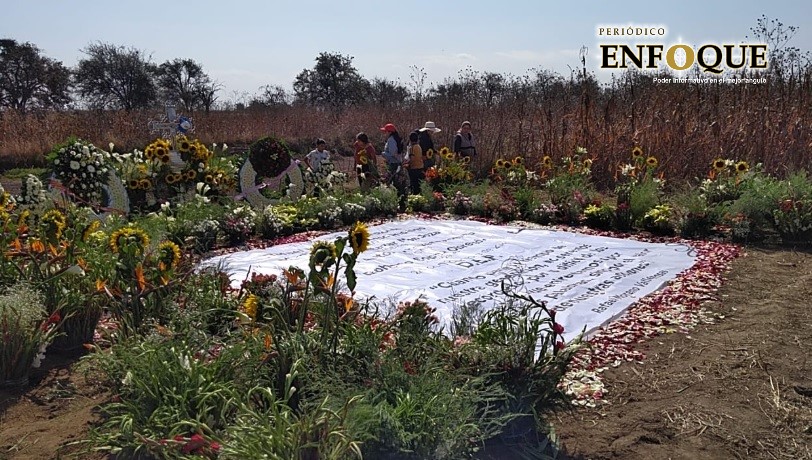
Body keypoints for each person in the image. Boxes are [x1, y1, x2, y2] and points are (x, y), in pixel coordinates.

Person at [404, 131, 424, 195]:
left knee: (414, 186)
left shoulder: (412, 148)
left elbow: (412, 159)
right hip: (420, 167)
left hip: (414, 168)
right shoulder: (419, 146)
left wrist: (406, 164)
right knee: (419, 185)